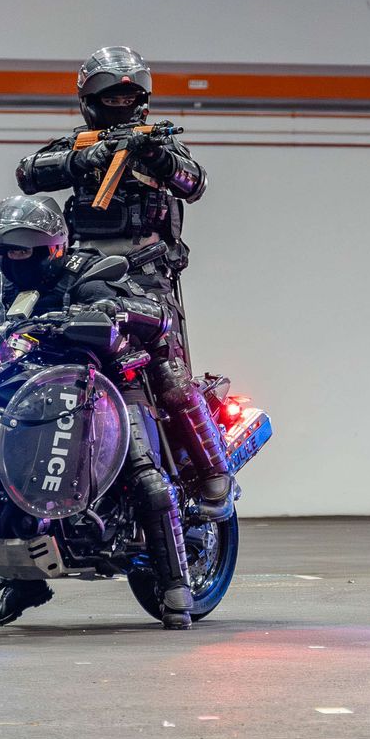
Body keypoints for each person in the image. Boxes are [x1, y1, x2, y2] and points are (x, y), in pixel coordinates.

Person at [13, 47, 235, 524]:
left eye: (126, 95)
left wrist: (154, 156)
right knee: (28, 347)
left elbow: (194, 183)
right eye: (108, 95)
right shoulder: (78, 143)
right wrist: (86, 159)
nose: (118, 103)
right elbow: (28, 173)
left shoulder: (159, 143)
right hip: (81, 277)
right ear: (89, 100)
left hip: (147, 278)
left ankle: (214, 473)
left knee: (167, 372)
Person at [0, 195, 198, 630]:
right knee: (3, 480)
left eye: (21, 250)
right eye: (4, 250)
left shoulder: (88, 274)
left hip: (111, 385)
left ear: (51, 248)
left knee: (148, 482)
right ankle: (25, 582)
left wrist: (112, 311)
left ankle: (176, 586)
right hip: (37, 389)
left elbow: (156, 312)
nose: (11, 259)